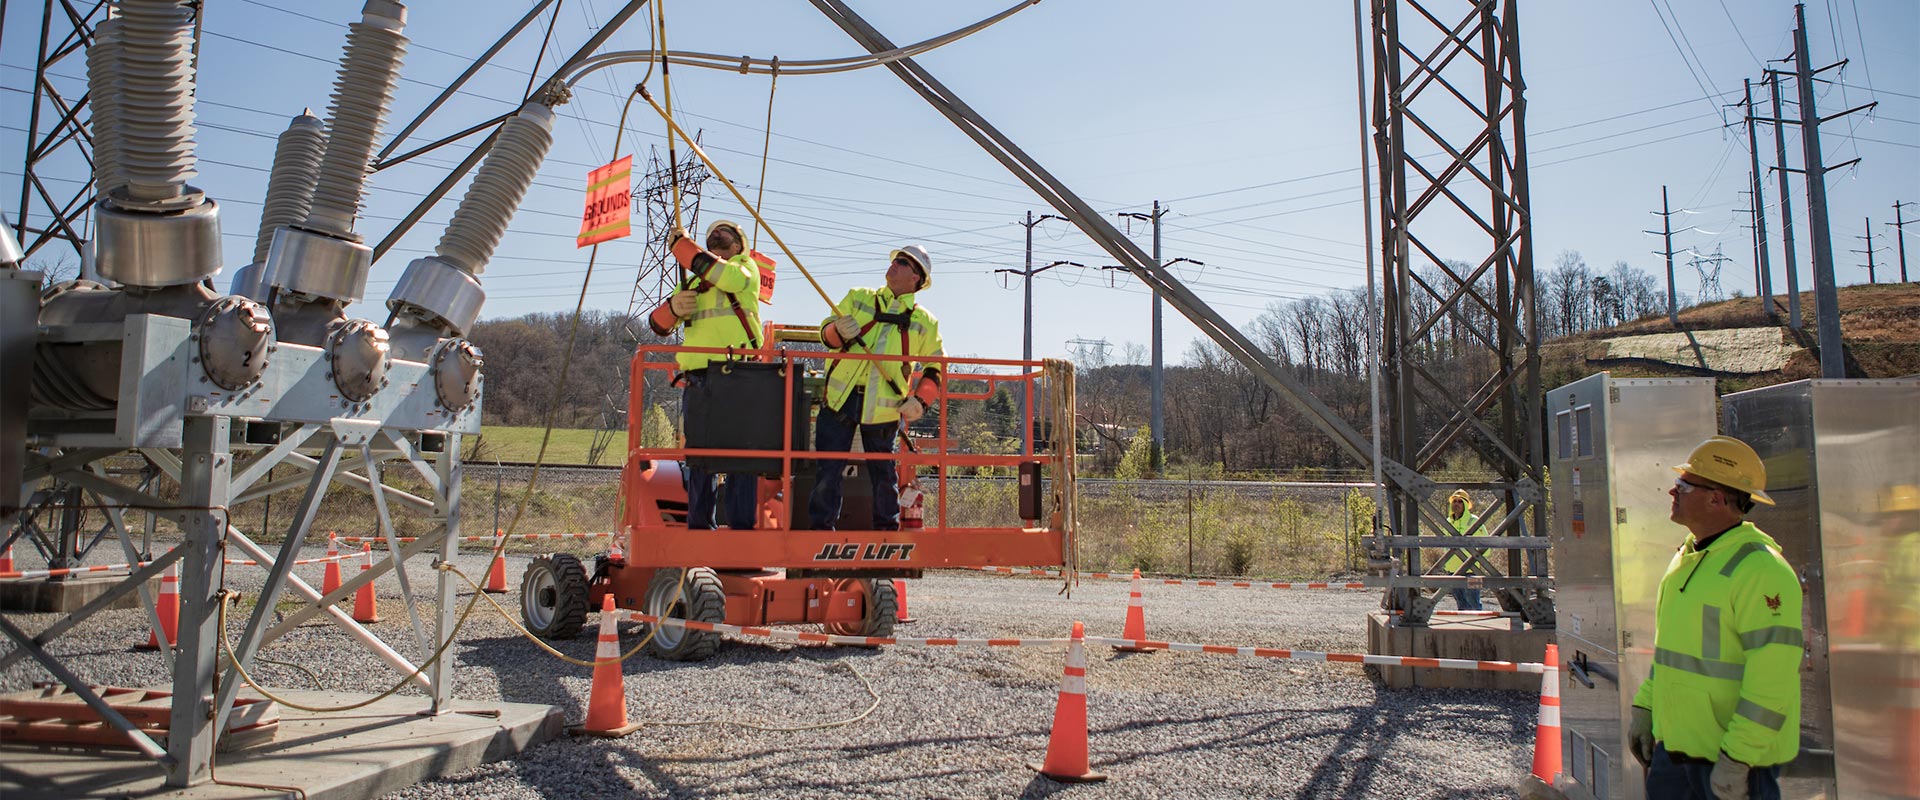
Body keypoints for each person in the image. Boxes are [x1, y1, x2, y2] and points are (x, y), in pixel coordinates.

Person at [1628, 435, 1802, 800]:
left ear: (1717, 498)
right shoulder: (1688, 559)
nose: (1672, 492)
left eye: (1684, 485)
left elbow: (1773, 680)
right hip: (1676, 753)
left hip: (1731, 763)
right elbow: (1671, 652)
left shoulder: (1761, 569)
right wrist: (1646, 706)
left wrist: (1738, 757)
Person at [808, 245, 944, 531]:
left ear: (916, 279)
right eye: (895, 259)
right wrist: (835, 331)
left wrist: (921, 401)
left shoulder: (924, 323)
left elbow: (936, 369)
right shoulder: (859, 298)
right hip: (839, 400)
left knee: (884, 477)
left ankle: (886, 537)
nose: (894, 264)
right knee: (827, 472)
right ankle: (819, 537)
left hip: (885, 410)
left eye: (903, 262)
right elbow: (824, 333)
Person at [649, 219, 762, 530]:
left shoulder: (745, 269)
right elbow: (658, 325)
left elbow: (720, 274)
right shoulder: (692, 283)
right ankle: (699, 527)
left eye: (726, 231)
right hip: (699, 376)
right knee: (699, 455)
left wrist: (682, 247)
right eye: (712, 232)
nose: (717, 233)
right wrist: (673, 308)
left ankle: (741, 529)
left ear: (741, 246)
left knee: (742, 456)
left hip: (739, 372)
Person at [1439, 488, 1485, 610]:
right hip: (1453, 570)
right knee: (1460, 602)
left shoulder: (1474, 521)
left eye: (1460, 501)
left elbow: (1486, 544)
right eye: (1455, 501)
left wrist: (1478, 560)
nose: (1457, 504)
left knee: (1473, 601)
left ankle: (1477, 626)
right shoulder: (1448, 522)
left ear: (1465, 504)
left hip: (1472, 569)